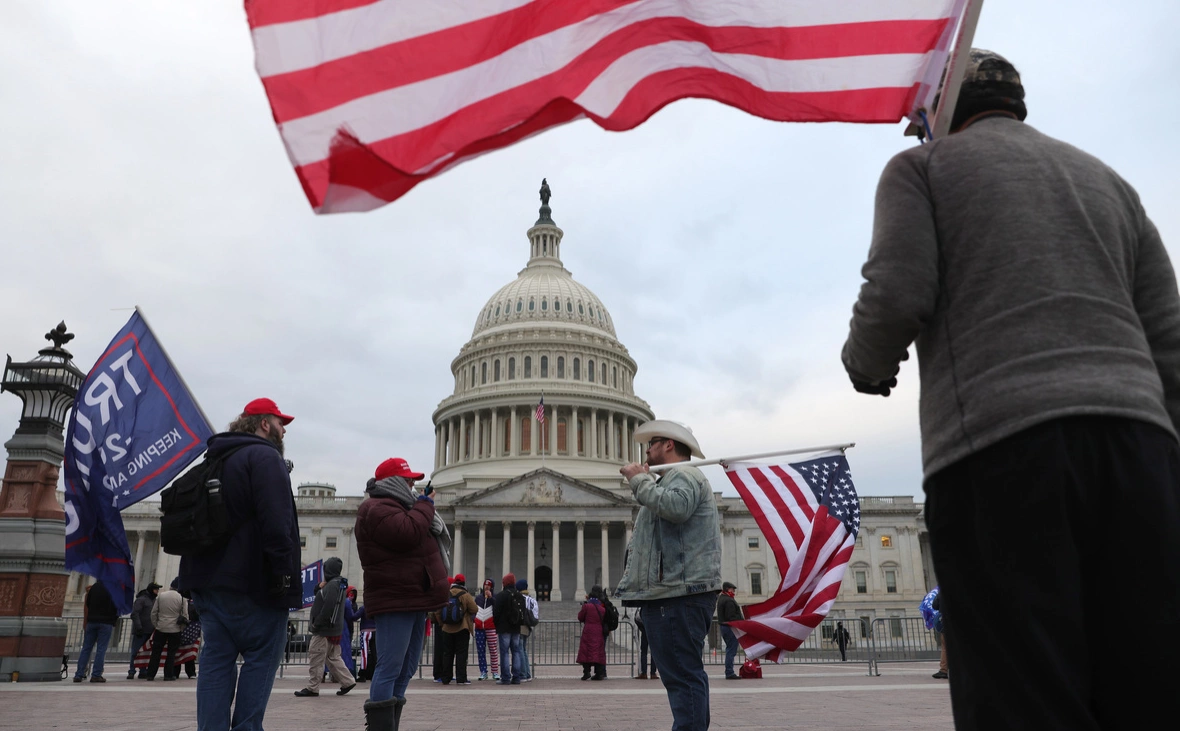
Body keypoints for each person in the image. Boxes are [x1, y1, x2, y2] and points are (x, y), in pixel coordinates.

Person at [841, 49, 1180, 731]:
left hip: (999, 446)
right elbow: (1168, 337)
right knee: (1149, 673)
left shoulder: (922, 168)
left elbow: (897, 290)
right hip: (1138, 446)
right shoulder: (1108, 180)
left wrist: (866, 364)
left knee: (1019, 682)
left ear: (938, 113)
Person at [177, 398, 302, 730]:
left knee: (216, 663)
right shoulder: (265, 457)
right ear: (263, 423)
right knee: (260, 661)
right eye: (279, 421)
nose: (284, 428)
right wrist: (282, 574)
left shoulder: (213, 459)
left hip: (210, 585)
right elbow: (277, 523)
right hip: (254, 584)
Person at [618, 419, 721, 731]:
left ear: (669, 445)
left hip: (678, 594)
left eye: (653, 442)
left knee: (683, 679)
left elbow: (676, 507)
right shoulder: (669, 479)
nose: (646, 449)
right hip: (671, 594)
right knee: (682, 677)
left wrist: (640, 482)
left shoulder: (684, 476)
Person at [355, 457, 450, 731]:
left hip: (416, 599)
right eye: (408, 480)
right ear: (395, 481)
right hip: (395, 599)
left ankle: (390, 725)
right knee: (389, 667)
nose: (413, 485)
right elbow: (408, 533)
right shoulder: (375, 509)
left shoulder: (402, 508)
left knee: (407, 667)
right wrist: (426, 505)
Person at [295, 557, 356, 697]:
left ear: (328, 570)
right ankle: (348, 681)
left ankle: (312, 687)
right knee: (332, 657)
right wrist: (319, 587)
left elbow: (328, 606)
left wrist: (318, 623)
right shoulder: (337, 584)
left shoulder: (332, 585)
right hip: (332, 629)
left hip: (324, 629)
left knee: (316, 656)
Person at [433, 574, 478, 685]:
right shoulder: (465, 595)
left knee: (447, 653)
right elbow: (474, 608)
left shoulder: (446, 594)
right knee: (461, 654)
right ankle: (461, 678)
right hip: (462, 628)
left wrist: (442, 624)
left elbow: (437, 611)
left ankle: (445, 678)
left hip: (447, 629)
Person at [73, 580, 118, 683]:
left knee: (86, 648)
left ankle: (79, 674)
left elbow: (88, 603)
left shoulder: (94, 588)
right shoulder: (113, 588)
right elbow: (116, 606)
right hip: (106, 622)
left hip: (92, 621)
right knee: (101, 649)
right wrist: (114, 619)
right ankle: (96, 675)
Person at [145, 579, 188, 681]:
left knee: (156, 652)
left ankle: (150, 674)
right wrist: (181, 628)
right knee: (171, 653)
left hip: (161, 627)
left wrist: (156, 625)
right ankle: (168, 675)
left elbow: (154, 613)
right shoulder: (182, 598)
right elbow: (185, 615)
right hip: (175, 629)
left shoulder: (161, 596)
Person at [492, 572, 524, 685]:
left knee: (504, 653)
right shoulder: (519, 595)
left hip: (504, 628)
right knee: (516, 652)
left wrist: (497, 624)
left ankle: (505, 678)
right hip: (516, 628)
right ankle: (516, 677)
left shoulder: (501, 595)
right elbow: (522, 612)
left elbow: (495, 612)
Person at [127, 582, 160, 679]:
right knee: (135, 651)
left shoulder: (154, 601)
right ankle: (132, 671)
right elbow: (135, 614)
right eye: (156, 589)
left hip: (150, 630)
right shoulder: (141, 600)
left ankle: (143, 670)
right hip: (141, 630)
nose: (157, 591)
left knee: (146, 652)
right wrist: (139, 627)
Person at [576, 585, 608, 681]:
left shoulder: (587, 606)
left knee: (586, 651)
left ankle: (586, 672)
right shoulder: (602, 609)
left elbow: (580, 617)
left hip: (588, 630)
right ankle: (598, 673)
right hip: (598, 631)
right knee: (598, 652)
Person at [473, 579, 500, 681]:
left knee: (493, 650)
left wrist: (491, 598)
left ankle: (495, 671)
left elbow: (497, 608)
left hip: (491, 627)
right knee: (481, 651)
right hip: (479, 627)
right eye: (485, 586)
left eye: (488, 586)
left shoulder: (495, 597)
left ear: (492, 587)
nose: (486, 587)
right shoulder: (478, 598)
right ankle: (483, 671)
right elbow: (474, 609)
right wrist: (474, 619)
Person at [715, 582, 743, 679]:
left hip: (724, 627)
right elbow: (731, 616)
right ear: (728, 589)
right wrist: (741, 622)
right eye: (732, 589)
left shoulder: (721, 598)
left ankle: (729, 671)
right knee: (731, 650)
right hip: (730, 627)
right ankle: (729, 672)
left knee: (729, 649)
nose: (734, 591)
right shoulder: (729, 601)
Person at [516, 578, 539, 682]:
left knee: (520, 649)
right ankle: (528, 673)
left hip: (520, 625)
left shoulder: (519, 599)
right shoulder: (532, 600)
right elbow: (535, 615)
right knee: (523, 649)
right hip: (528, 627)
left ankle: (523, 674)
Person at [634, 607, 658, 680]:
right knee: (653, 652)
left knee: (644, 652)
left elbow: (637, 618)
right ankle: (653, 673)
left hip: (645, 630)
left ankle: (644, 673)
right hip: (654, 631)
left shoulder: (643, 608)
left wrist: (641, 628)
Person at [343, 587, 362, 676]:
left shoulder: (353, 604)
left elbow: (353, 616)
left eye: (353, 595)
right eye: (350, 594)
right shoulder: (345, 602)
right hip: (344, 628)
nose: (351, 596)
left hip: (349, 629)